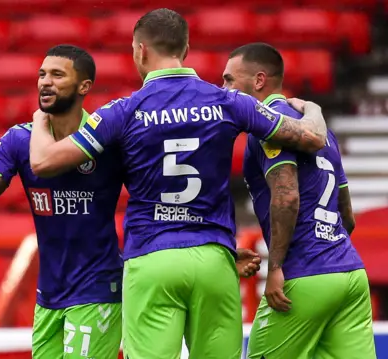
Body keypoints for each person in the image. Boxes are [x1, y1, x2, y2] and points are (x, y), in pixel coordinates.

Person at [27, 9, 329, 359]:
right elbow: (311, 137)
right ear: (185, 49)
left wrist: (39, 119)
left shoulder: (122, 110)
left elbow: (43, 163)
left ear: (141, 50)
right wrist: (311, 109)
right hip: (214, 258)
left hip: (151, 260)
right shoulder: (228, 101)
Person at [0, 44, 125, 359]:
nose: (46, 82)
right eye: (42, 74)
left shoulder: (107, 140)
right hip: (48, 298)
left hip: (98, 290)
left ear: (84, 86)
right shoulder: (19, 140)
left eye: (58, 75)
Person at [224, 42, 376, 359]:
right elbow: (346, 214)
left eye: (229, 80)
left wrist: (276, 266)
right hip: (348, 272)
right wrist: (328, 252)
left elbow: (287, 194)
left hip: (303, 276)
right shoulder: (320, 131)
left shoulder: (269, 129)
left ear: (259, 81)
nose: (223, 89)